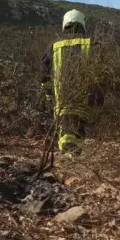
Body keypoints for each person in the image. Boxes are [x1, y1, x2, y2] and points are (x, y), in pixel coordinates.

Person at [41, 9, 100, 156]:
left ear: (65, 24)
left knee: (66, 133)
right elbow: (101, 72)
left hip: (61, 98)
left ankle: (69, 160)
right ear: (82, 24)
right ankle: (74, 160)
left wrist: (49, 96)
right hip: (85, 99)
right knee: (77, 130)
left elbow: (44, 75)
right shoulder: (91, 44)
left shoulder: (53, 46)